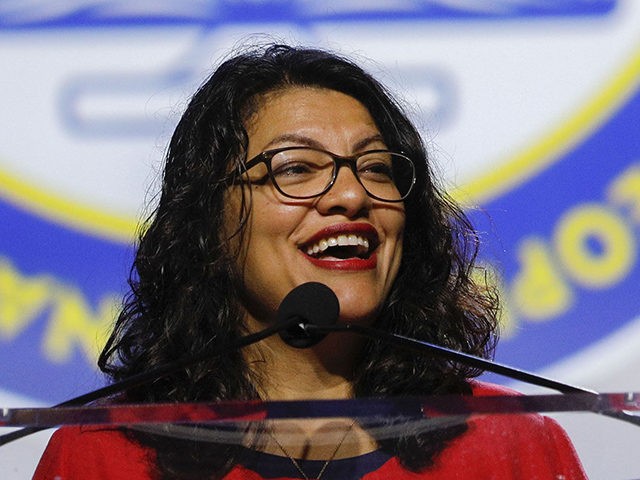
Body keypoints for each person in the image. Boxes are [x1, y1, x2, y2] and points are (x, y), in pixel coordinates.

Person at [33, 44, 587, 479]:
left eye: (376, 167)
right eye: (296, 168)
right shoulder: (105, 451)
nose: (351, 194)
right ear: (206, 224)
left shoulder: (507, 440)